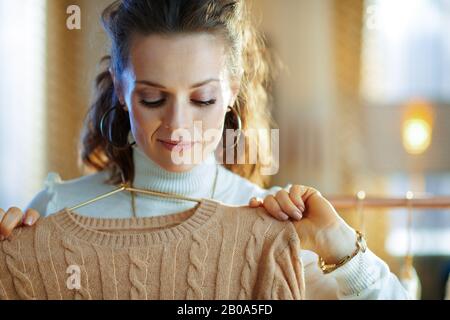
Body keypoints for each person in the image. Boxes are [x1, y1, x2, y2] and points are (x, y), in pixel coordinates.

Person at [0, 0, 410, 299]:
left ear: (232, 89)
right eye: (153, 99)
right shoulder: (52, 211)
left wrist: (338, 244)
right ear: (121, 89)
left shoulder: (271, 230)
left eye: (203, 100)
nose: (179, 125)